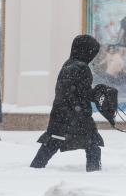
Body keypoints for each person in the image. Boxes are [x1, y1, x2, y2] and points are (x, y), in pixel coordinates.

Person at [30, 34, 104, 172]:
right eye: (92, 52)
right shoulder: (82, 68)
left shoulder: (68, 64)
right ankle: (95, 172)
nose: (93, 56)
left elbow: (70, 90)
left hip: (61, 113)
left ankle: (35, 167)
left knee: (52, 142)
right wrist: (97, 94)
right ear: (86, 51)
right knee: (92, 143)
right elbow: (83, 93)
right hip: (76, 115)